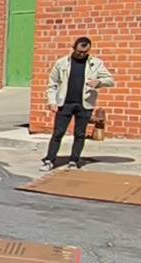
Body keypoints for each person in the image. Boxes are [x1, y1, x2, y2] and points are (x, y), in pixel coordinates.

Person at [42, 37, 114, 171]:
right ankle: (49, 160)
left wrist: (99, 82)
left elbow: (110, 80)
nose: (81, 54)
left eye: (85, 52)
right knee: (58, 133)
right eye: (79, 51)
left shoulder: (96, 63)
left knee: (80, 134)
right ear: (73, 48)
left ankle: (74, 161)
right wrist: (52, 101)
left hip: (85, 104)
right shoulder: (62, 63)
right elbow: (52, 84)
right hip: (65, 103)